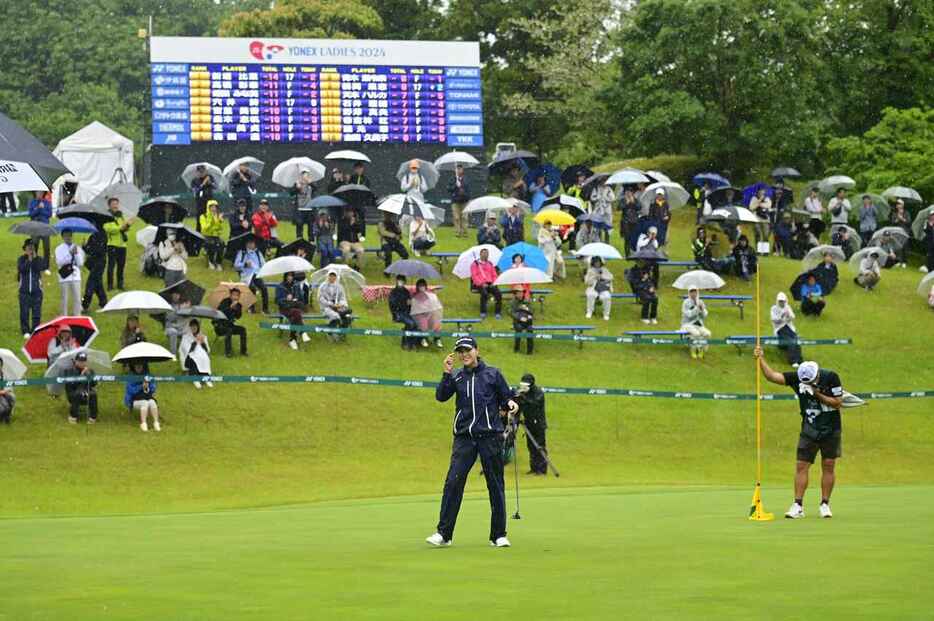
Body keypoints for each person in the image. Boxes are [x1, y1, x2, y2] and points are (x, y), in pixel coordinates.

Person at [426, 336, 518, 548]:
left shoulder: (493, 374)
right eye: (460, 351)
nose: (464, 354)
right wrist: (446, 373)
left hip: (490, 437)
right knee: (453, 482)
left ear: (476, 350)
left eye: (467, 350)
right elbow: (441, 396)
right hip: (464, 439)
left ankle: (498, 535)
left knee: (495, 485)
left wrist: (512, 403)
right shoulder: (456, 377)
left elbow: (507, 397)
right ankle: (444, 534)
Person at [755, 350, 845, 519]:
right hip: (809, 429)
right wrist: (760, 359)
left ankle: (825, 504)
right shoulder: (799, 377)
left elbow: (837, 403)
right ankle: (798, 505)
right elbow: (773, 377)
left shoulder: (831, 377)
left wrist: (816, 393)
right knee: (801, 466)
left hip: (831, 429)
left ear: (817, 374)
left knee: (828, 465)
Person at [515, 374, 546, 474]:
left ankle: (541, 469)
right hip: (528, 423)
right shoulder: (524, 393)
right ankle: (534, 468)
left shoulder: (538, 393)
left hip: (539, 424)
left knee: (539, 446)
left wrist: (523, 397)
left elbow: (534, 403)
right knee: (531, 447)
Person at [18, 239, 47, 337]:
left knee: (36, 313)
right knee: (24, 312)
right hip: (24, 291)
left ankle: (35, 330)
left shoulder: (38, 259)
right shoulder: (21, 259)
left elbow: (41, 267)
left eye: (32, 247)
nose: (30, 249)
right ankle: (25, 331)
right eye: (28, 247)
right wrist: (29, 260)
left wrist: (34, 259)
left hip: (37, 291)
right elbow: (22, 269)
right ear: (25, 249)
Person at [102, 197, 131, 290]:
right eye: (113, 204)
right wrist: (120, 228)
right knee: (111, 266)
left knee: (121, 266)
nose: (115, 205)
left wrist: (127, 226)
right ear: (109, 205)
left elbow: (125, 228)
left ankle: (120, 284)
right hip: (112, 244)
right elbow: (107, 228)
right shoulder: (106, 216)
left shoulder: (121, 216)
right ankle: (110, 285)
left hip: (122, 245)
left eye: (116, 203)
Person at [54, 229, 85, 316]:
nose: (68, 237)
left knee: (77, 298)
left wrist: (76, 254)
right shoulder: (59, 249)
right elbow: (60, 262)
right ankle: (64, 316)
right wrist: (70, 254)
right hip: (64, 277)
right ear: (63, 237)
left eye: (69, 235)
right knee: (64, 299)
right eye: (66, 236)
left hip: (75, 276)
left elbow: (80, 263)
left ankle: (77, 316)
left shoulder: (77, 247)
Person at [234, 236, 267, 314]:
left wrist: (262, 269)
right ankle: (251, 308)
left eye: (253, 243)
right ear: (246, 244)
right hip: (247, 275)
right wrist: (244, 264)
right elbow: (236, 265)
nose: (252, 245)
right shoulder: (242, 253)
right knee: (252, 288)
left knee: (264, 288)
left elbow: (263, 263)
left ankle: (265, 309)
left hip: (256, 274)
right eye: (250, 243)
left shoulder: (258, 253)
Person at [125, 362, 160, 432]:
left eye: (140, 366)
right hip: (133, 400)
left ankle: (156, 422)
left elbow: (153, 388)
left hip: (147, 397)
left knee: (152, 402)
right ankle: (143, 423)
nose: (139, 367)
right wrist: (141, 386)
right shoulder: (130, 376)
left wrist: (148, 385)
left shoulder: (148, 375)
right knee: (145, 403)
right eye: (137, 366)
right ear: (133, 366)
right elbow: (131, 391)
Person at [277, 271, 308, 350]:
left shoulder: (296, 285)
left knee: (295, 315)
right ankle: (302, 332)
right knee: (297, 313)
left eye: (291, 276)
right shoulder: (280, 286)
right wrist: (286, 298)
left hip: (295, 307)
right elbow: (278, 300)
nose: (290, 277)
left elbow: (301, 299)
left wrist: (296, 297)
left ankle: (292, 339)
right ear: (285, 276)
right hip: (285, 308)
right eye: (288, 276)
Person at [64, 351, 98, 424]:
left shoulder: (90, 370)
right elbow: (71, 385)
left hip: (86, 391)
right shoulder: (69, 371)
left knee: (93, 394)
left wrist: (89, 376)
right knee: (78, 394)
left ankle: (93, 417)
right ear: (76, 361)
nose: (82, 363)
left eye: (84, 361)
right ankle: (73, 416)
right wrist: (81, 376)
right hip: (73, 392)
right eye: (80, 361)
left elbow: (94, 384)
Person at [318, 270, 353, 339]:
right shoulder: (323, 286)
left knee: (347, 318)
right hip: (327, 307)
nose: (332, 278)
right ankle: (330, 332)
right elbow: (320, 298)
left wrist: (340, 304)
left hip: (338, 307)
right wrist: (330, 304)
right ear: (328, 276)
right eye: (330, 276)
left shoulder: (339, 287)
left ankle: (342, 334)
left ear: (336, 277)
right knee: (335, 316)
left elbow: (343, 298)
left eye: (334, 276)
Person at [771, 292, 803, 366]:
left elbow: (793, 317)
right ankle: (793, 361)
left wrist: (788, 315)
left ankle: (799, 360)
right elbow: (774, 320)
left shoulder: (787, 307)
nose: (782, 303)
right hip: (780, 329)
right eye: (780, 301)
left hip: (789, 328)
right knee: (791, 341)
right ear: (777, 301)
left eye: (783, 301)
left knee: (796, 340)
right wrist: (782, 316)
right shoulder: (774, 308)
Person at [81, 227, 108, 313]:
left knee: (91, 283)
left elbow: (98, 250)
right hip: (94, 263)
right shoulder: (93, 235)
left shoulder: (101, 234)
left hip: (99, 263)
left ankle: (85, 304)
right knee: (97, 283)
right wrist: (84, 246)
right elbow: (89, 250)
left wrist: (88, 248)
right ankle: (104, 303)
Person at [180, 319, 213, 388]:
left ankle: (206, 378)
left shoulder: (203, 336)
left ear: (198, 327)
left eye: (195, 327)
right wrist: (195, 342)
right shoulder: (186, 337)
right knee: (195, 358)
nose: (194, 328)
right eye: (192, 327)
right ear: (190, 327)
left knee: (205, 358)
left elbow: (207, 350)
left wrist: (202, 342)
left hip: (202, 354)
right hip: (190, 356)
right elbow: (187, 350)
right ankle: (195, 379)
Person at [213, 288, 247, 357]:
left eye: (237, 295)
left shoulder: (239, 305)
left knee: (242, 329)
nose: (235, 297)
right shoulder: (224, 302)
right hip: (220, 325)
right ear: (230, 295)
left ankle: (243, 351)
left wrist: (236, 309)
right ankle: (228, 352)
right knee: (229, 330)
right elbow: (220, 313)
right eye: (234, 295)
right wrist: (230, 308)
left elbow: (238, 317)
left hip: (230, 325)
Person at [470, 248, 502, 319]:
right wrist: (481, 283)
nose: (485, 255)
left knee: (498, 293)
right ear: (480, 254)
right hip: (480, 284)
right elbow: (474, 276)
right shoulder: (475, 264)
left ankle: (497, 312)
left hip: (490, 283)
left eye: (487, 253)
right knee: (484, 293)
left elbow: (494, 275)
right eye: (484, 253)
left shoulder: (490, 264)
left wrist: (494, 283)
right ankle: (483, 312)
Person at [411, 278, 443, 348]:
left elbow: (433, 305)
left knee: (436, 321)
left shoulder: (429, 295)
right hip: (418, 315)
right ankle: (423, 338)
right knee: (423, 322)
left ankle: (437, 339)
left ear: (425, 286)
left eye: (423, 286)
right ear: (417, 287)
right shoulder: (414, 296)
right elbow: (414, 308)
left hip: (428, 314)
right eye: (420, 286)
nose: (422, 288)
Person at [389, 275, 419, 350]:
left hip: (406, 313)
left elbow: (409, 305)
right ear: (396, 281)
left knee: (416, 324)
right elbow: (392, 304)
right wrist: (402, 302)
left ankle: (412, 343)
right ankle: (406, 343)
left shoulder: (406, 291)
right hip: (398, 313)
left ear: (405, 282)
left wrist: (410, 302)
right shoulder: (393, 292)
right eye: (399, 281)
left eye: (402, 281)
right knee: (411, 324)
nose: (400, 282)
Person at [681, 286, 711, 359]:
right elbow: (689, 315)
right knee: (696, 333)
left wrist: (702, 309)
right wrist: (696, 308)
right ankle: (693, 350)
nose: (693, 293)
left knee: (707, 333)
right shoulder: (686, 302)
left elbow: (705, 315)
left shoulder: (700, 301)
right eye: (691, 292)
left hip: (698, 324)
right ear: (689, 293)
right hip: (687, 324)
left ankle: (701, 350)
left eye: (695, 292)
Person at [27, 191, 53, 263]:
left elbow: (49, 214)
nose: (39, 193)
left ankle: (46, 265)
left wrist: (42, 209)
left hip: (45, 227)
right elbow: (30, 214)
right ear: (35, 193)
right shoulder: (31, 202)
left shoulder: (47, 202)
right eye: (38, 192)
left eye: (41, 192)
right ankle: (34, 264)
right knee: (35, 246)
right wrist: (38, 208)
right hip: (35, 227)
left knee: (47, 247)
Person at [200, 199, 226, 271]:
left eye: (215, 207)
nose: (214, 209)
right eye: (212, 207)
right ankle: (210, 262)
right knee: (211, 244)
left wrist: (220, 221)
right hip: (206, 236)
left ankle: (218, 262)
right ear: (208, 207)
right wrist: (211, 221)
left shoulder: (217, 216)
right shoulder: (203, 216)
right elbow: (204, 228)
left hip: (216, 236)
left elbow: (219, 229)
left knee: (221, 243)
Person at [190, 165, 216, 233]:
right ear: (197, 172)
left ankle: (210, 236)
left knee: (210, 221)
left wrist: (210, 183)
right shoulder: (194, 181)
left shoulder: (210, 178)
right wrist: (203, 184)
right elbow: (195, 191)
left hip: (209, 203)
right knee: (200, 221)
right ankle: (198, 236)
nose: (201, 173)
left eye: (203, 171)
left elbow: (215, 187)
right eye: (200, 171)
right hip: (200, 203)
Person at [291, 170, 317, 240]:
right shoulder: (297, 183)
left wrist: (310, 183)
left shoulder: (311, 183)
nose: (305, 177)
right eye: (304, 175)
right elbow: (291, 193)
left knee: (311, 228)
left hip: (310, 209)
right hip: (300, 209)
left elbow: (316, 188)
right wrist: (297, 187)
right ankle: (299, 242)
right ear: (301, 176)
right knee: (299, 227)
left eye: (307, 175)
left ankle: (311, 242)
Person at [448, 164, 471, 238]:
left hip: (465, 201)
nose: (459, 170)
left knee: (464, 217)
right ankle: (458, 232)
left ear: (462, 170)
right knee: (456, 217)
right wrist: (455, 186)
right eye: (457, 169)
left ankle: (465, 233)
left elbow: (468, 189)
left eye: (460, 169)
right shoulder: (452, 179)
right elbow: (449, 189)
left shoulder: (466, 179)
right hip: (455, 201)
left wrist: (462, 188)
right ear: (455, 170)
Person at [510, 288, 534, 355]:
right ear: (516, 294)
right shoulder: (513, 302)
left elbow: (532, 311)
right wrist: (519, 318)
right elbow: (511, 312)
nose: (520, 294)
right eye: (519, 293)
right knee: (519, 329)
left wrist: (527, 309)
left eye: (521, 292)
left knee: (530, 330)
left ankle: (530, 351)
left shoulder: (527, 301)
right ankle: (516, 350)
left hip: (527, 321)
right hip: (517, 321)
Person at [619, 188, 640, 254]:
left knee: (634, 237)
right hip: (626, 222)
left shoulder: (635, 200)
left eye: (630, 192)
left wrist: (633, 202)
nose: (628, 193)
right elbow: (619, 208)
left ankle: (634, 252)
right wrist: (626, 202)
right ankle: (627, 254)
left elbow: (639, 207)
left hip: (634, 221)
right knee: (627, 238)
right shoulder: (623, 200)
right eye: (627, 192)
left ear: (632, 193)